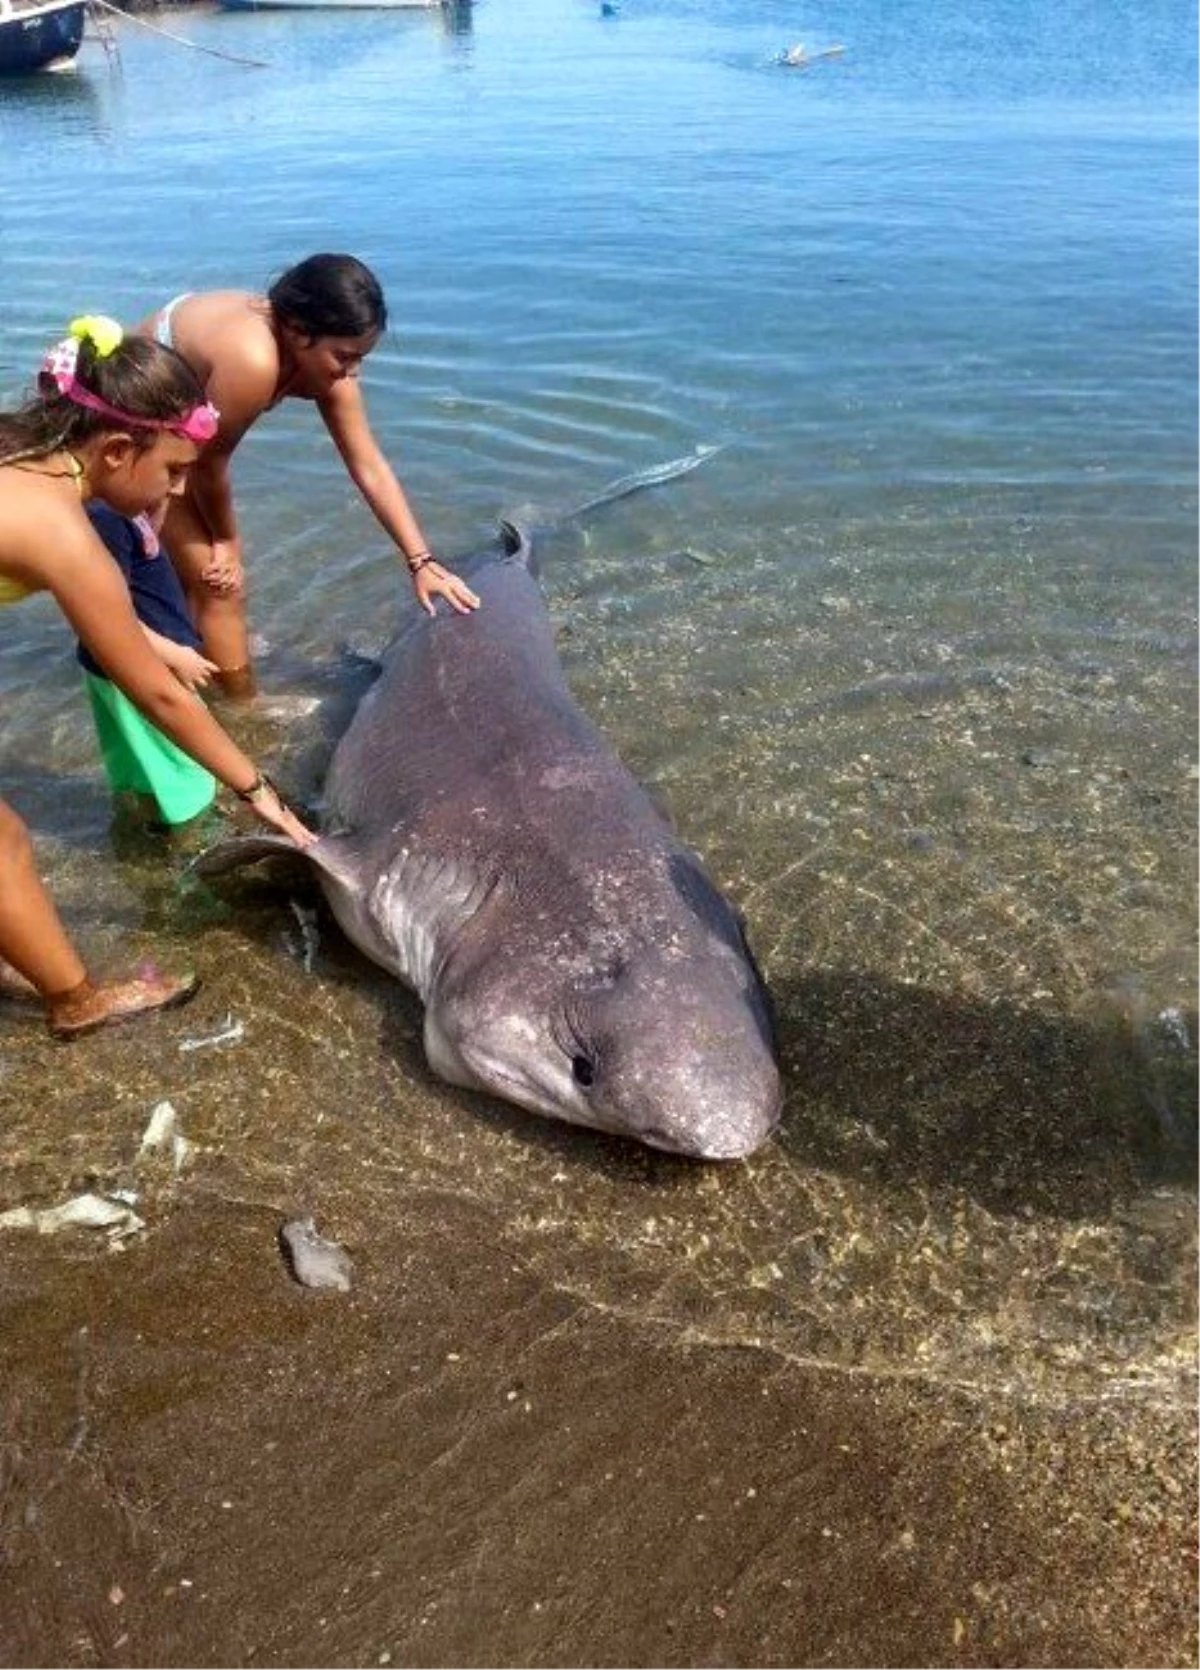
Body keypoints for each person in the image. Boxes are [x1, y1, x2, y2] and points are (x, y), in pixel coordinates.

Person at [0, 315, 315, 1039]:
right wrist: (257, 790)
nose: (177, 492)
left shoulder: (22, 454)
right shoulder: (62, 532)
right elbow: (159, 693)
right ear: (115, 450)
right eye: (172, 470)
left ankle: (22, 942)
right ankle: (75, 1001)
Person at [133, 253, 481, 699]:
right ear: (298, 332)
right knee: (218, 584)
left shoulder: (324, 365)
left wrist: (421, 561)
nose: (352, 372)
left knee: (192, 585)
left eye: (361, 359)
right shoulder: (252, 359)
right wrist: (228, 542)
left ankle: (186, 675)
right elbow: (207, 464)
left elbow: (368, 464)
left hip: (184, 442)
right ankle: (243, 714)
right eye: (344, 356)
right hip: (136, 427)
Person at [79, 500, 220, 831]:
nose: (181, 486)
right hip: (143, 667)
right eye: (172, 469)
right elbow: (106, 612)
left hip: (112, 668)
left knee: (142, 767)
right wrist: (175, 654)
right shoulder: (105, 519)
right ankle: (198, 845)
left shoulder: (117, 508)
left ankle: (146, 825)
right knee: (191, 771)